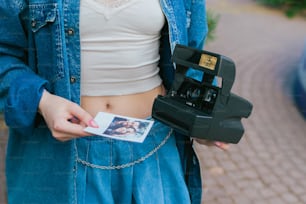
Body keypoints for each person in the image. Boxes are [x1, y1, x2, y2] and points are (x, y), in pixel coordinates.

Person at [0, 0, 228, 203]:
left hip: (155, 147)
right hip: (61, 155)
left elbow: (191, 62)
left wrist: (200, 120)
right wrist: (42, 101)